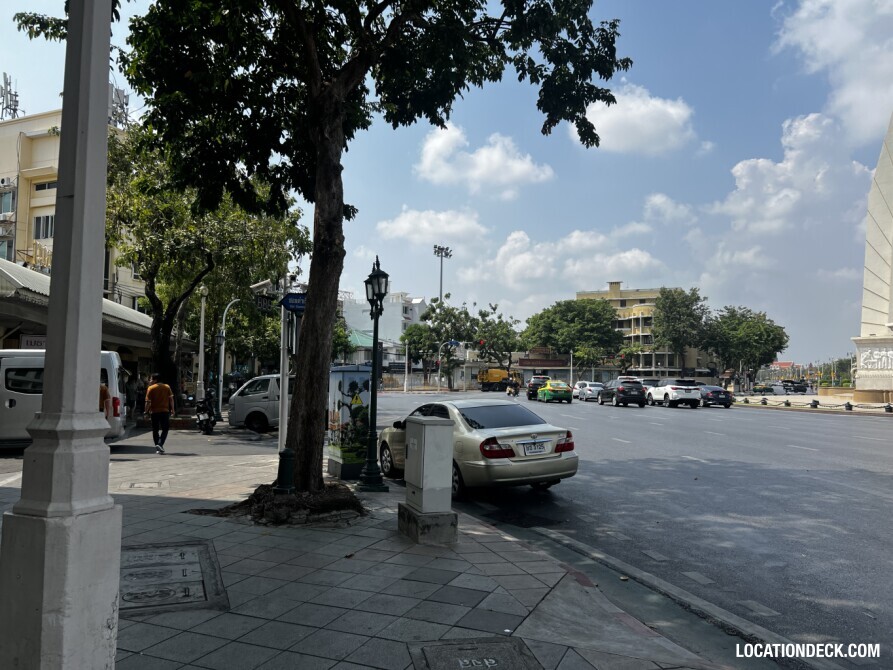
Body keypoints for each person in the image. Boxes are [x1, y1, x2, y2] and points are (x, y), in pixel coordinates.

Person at [144, 373, 174, 454]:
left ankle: (158, 446)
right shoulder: (167, 387)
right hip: (165, 411)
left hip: (154, 412)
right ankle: (160, 444)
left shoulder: (150, 388)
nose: (149, 381)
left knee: (155, 430)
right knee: (165, 429)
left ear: (155, 380)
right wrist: (173, 410)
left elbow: (148, 402)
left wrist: (145, 412)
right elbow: (171, 399)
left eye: (150, 379)